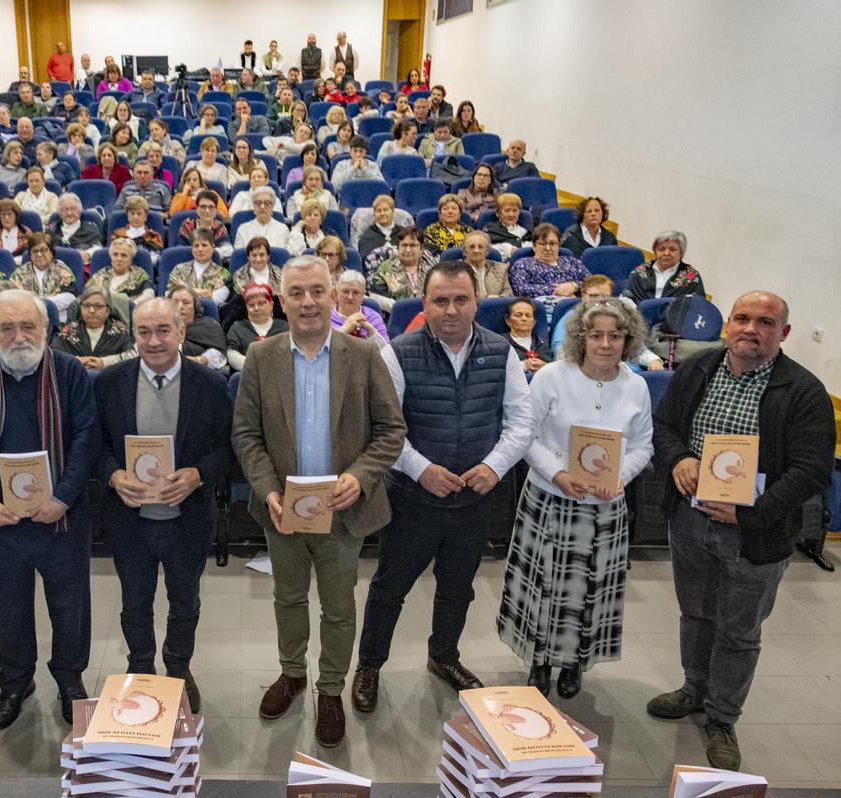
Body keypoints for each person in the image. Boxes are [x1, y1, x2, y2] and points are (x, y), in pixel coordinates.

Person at [645, 290, 834, 770]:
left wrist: (750, 514)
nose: (751, 329)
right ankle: (694, 689)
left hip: (755, 532)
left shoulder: (804, 390)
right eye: (743, 318)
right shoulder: (697, 370)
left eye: (765, 322)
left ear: (783, 333)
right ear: (728, 324)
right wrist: (680, 459)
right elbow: (663, 427)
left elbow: (811, 470)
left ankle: (722, 718)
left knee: (739, 631)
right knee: (695, 614)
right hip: (691, 520)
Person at [232, 255, 405, 746]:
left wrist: (360, 476)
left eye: (316, 292)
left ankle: (330, 689)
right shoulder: (261, 357)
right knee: (287, 597)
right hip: (282, 511)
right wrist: (268, 489)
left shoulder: (364, 355)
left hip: (342, 512)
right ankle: (292, 673)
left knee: (338, 607)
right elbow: (245, 435)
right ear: (281, 301)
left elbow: (392, 431)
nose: (307, 302)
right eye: (296, 293)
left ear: (332, 297)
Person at [351, 261, 532, 712]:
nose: (451, 310)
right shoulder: (398, 352)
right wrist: (421, 470)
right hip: (412, 501)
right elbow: (383, 427)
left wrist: (493, 467)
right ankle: (369, 665)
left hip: (473, 501)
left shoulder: (502, 352)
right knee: (389, 589)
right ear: (424, 303)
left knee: (458, 588)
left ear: (477, 302)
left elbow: (521, 423)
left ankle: (444, 657)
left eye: (461, 300)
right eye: (440, 300)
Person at [0, 289, 100, 729]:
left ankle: (69, 680)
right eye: (7, 328)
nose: (18, 337)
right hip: (1, 522)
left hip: (62, 521)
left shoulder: (68, 372)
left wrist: (63, 497)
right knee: (8, 610)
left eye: (28, 326)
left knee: (70, 609)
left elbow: (87, 437)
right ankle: (15, 682)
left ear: (45, 328)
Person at [497, 298, 653, 699]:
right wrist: (558, 473)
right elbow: (524, 435)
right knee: (544, 586)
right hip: (550, 496)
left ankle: (573, 663)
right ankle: (539, 660)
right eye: (596, 335)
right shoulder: (551, 376)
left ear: (628, 340)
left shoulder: (636, 386)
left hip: (605, 505)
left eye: (615, 335)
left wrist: (620, 477)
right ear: (581, 337)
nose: (606, 344)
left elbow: (643, 445)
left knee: (589, 590)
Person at [94, 296, 232, 711]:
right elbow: (93, 445)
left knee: (184, 601)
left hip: (187, 519)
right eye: (144, 332)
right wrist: (113, 474)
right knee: (134, 602)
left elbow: (230, 449)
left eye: (163, 331)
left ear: (181, 332)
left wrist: (198, 474)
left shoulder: (211, 385)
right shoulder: (109, 383)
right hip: (130, 520)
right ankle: (140, 666)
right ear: (133, 335)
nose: (153, 341)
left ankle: (177, 666)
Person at [52, 286, 135, 370]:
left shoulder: (118, 329)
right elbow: (52, 355)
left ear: (107, 311)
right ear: (81, 308)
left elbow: (132, 356)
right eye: (87, 305)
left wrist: (104, 362)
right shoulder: (70, 331)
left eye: (98, 306)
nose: (91, 311)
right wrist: (74, 361)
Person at [508, 223, 590, 299]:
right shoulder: (522, 265)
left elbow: (592, 282)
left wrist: (574, 286)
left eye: (552, 243)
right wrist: (561, 291)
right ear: (534, 246)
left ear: (559, 245)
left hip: (579, 304)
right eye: (543, 244)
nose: (547, 248)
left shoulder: (573, 262)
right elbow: (521, 289)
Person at [622, 230, 707, 303]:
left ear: (681, 252)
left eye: (672, 249)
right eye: (661, 249)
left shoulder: (691, 276)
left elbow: (697, 306)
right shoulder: (640, 271)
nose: (666, 253)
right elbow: (625, 298)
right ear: (655, 252)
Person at [10, 231, 78, 320]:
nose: (39, 254)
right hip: (28, 319)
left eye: (43, 250)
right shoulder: (20, 273)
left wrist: (43, 304)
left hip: (58, 320)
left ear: (51, 252)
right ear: (30, 255)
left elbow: (71, 297)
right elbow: (12, 298)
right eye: (35, 251)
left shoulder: (61, 269)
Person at [370, 227, 436, 312]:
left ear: (421, 248)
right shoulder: (385, 268)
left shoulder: (431, 267)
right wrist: (404, 309)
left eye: (413, 245)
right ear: (398, 247)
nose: (408, 250)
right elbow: (376, 297)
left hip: (428, 315)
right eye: (404, 245)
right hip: (397, 316)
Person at [226, 283, 288, 371]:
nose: (256, 308)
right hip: (247, 375)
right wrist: (257, 368)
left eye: (261, 304)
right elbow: (232, 355)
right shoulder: (237, 328)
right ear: (246, 307)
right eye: (251, 305)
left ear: (271, 305)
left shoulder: (285, 327)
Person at [168, 287, 227, 374]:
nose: (180, 307)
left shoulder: (208, 326)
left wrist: (198, 360)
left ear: (195, 307)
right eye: (175, 302)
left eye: (186, 302)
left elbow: (219, 356)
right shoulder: (157, 327)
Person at [167, 230, 231, 306]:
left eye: (204, 245)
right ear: (192, 248)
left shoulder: (223, 273)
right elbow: (169, 295)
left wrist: (185, 288)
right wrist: (201, 292)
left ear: (213, 247)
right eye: (196, 246)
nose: (200, 249)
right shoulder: (179, 269)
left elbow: (214, 301)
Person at [86, 237, 154, 302]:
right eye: (115, 254)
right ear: (111, 257)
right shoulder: (101, 274)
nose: (119, 259)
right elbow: (86, 294)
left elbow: (149, 294)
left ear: (131, 259)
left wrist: (132, 304)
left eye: (124, 255)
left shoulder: (139, 275)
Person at [331, 269, 388, 346]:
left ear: (362, 295)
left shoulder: (373, 317)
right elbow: (321, 350)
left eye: (355, 293)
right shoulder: (325, 318)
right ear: (336, 293)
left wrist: (371, 330)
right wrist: (344, 329)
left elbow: (386, 351)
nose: (350, 297)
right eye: (345, 292)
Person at [47, 193, 103, 266]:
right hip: (55, 267)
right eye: (65, 210)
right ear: (60, 213)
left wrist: (88, 253)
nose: (69, 213)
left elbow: (98, 248)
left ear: (79, 211)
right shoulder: (51, 229)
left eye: (73, 209)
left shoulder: (91, 228)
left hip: (81, 266)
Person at [111, 195, 164, 266]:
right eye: (132, 213)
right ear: (128, 216)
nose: (135, 217)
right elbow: (112, 255)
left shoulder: (153, 236)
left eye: (139, 214)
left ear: (145, 217)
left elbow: (155, 260)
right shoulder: (118, 235)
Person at [503, 297, 552, 373]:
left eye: (528, 315)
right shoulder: (500, 343)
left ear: (534, 322)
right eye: (518, 315)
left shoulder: (542, 344)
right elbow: (496, 370)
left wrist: (545, 367)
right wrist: (523, 366)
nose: (524, 319)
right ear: (508, 321)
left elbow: (553, 370)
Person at [176, 190, 232, 256]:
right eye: (203, 207)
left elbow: (228, 250)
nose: (207, 211)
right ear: (197, 209)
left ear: (216, 211)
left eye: (211, 207)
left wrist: (205, 252)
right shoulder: (188, 225)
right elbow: (179, 249)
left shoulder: (220, 227)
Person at [357, 194, 401, 273]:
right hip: (376, 273)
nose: (382, 213)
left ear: (393, 211)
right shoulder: (367, 236)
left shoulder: (403, 233)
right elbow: (366, 261)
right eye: (378, 210)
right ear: (374, 214)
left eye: (385, 210)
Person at [461, 231, 511, 299]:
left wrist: (497, 298)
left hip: (497, 304)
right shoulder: (456, 270)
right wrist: (486, 298)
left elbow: (509, 293)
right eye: (472, 247)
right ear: (465, 252)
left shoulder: (501, 269)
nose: (476, 251)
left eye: (480, 247)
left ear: (487, 251)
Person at [484, 192, 533, 260]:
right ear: (498, 213)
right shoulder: (490, 230)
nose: (511, 214)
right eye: (507, 211)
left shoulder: (527, 231)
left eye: (515, 211)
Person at [0, 199, 34, 263]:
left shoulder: (26, 233)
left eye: (9, 214)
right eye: (3, 214)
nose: (6, 217)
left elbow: (31, 253)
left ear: (16, 216)